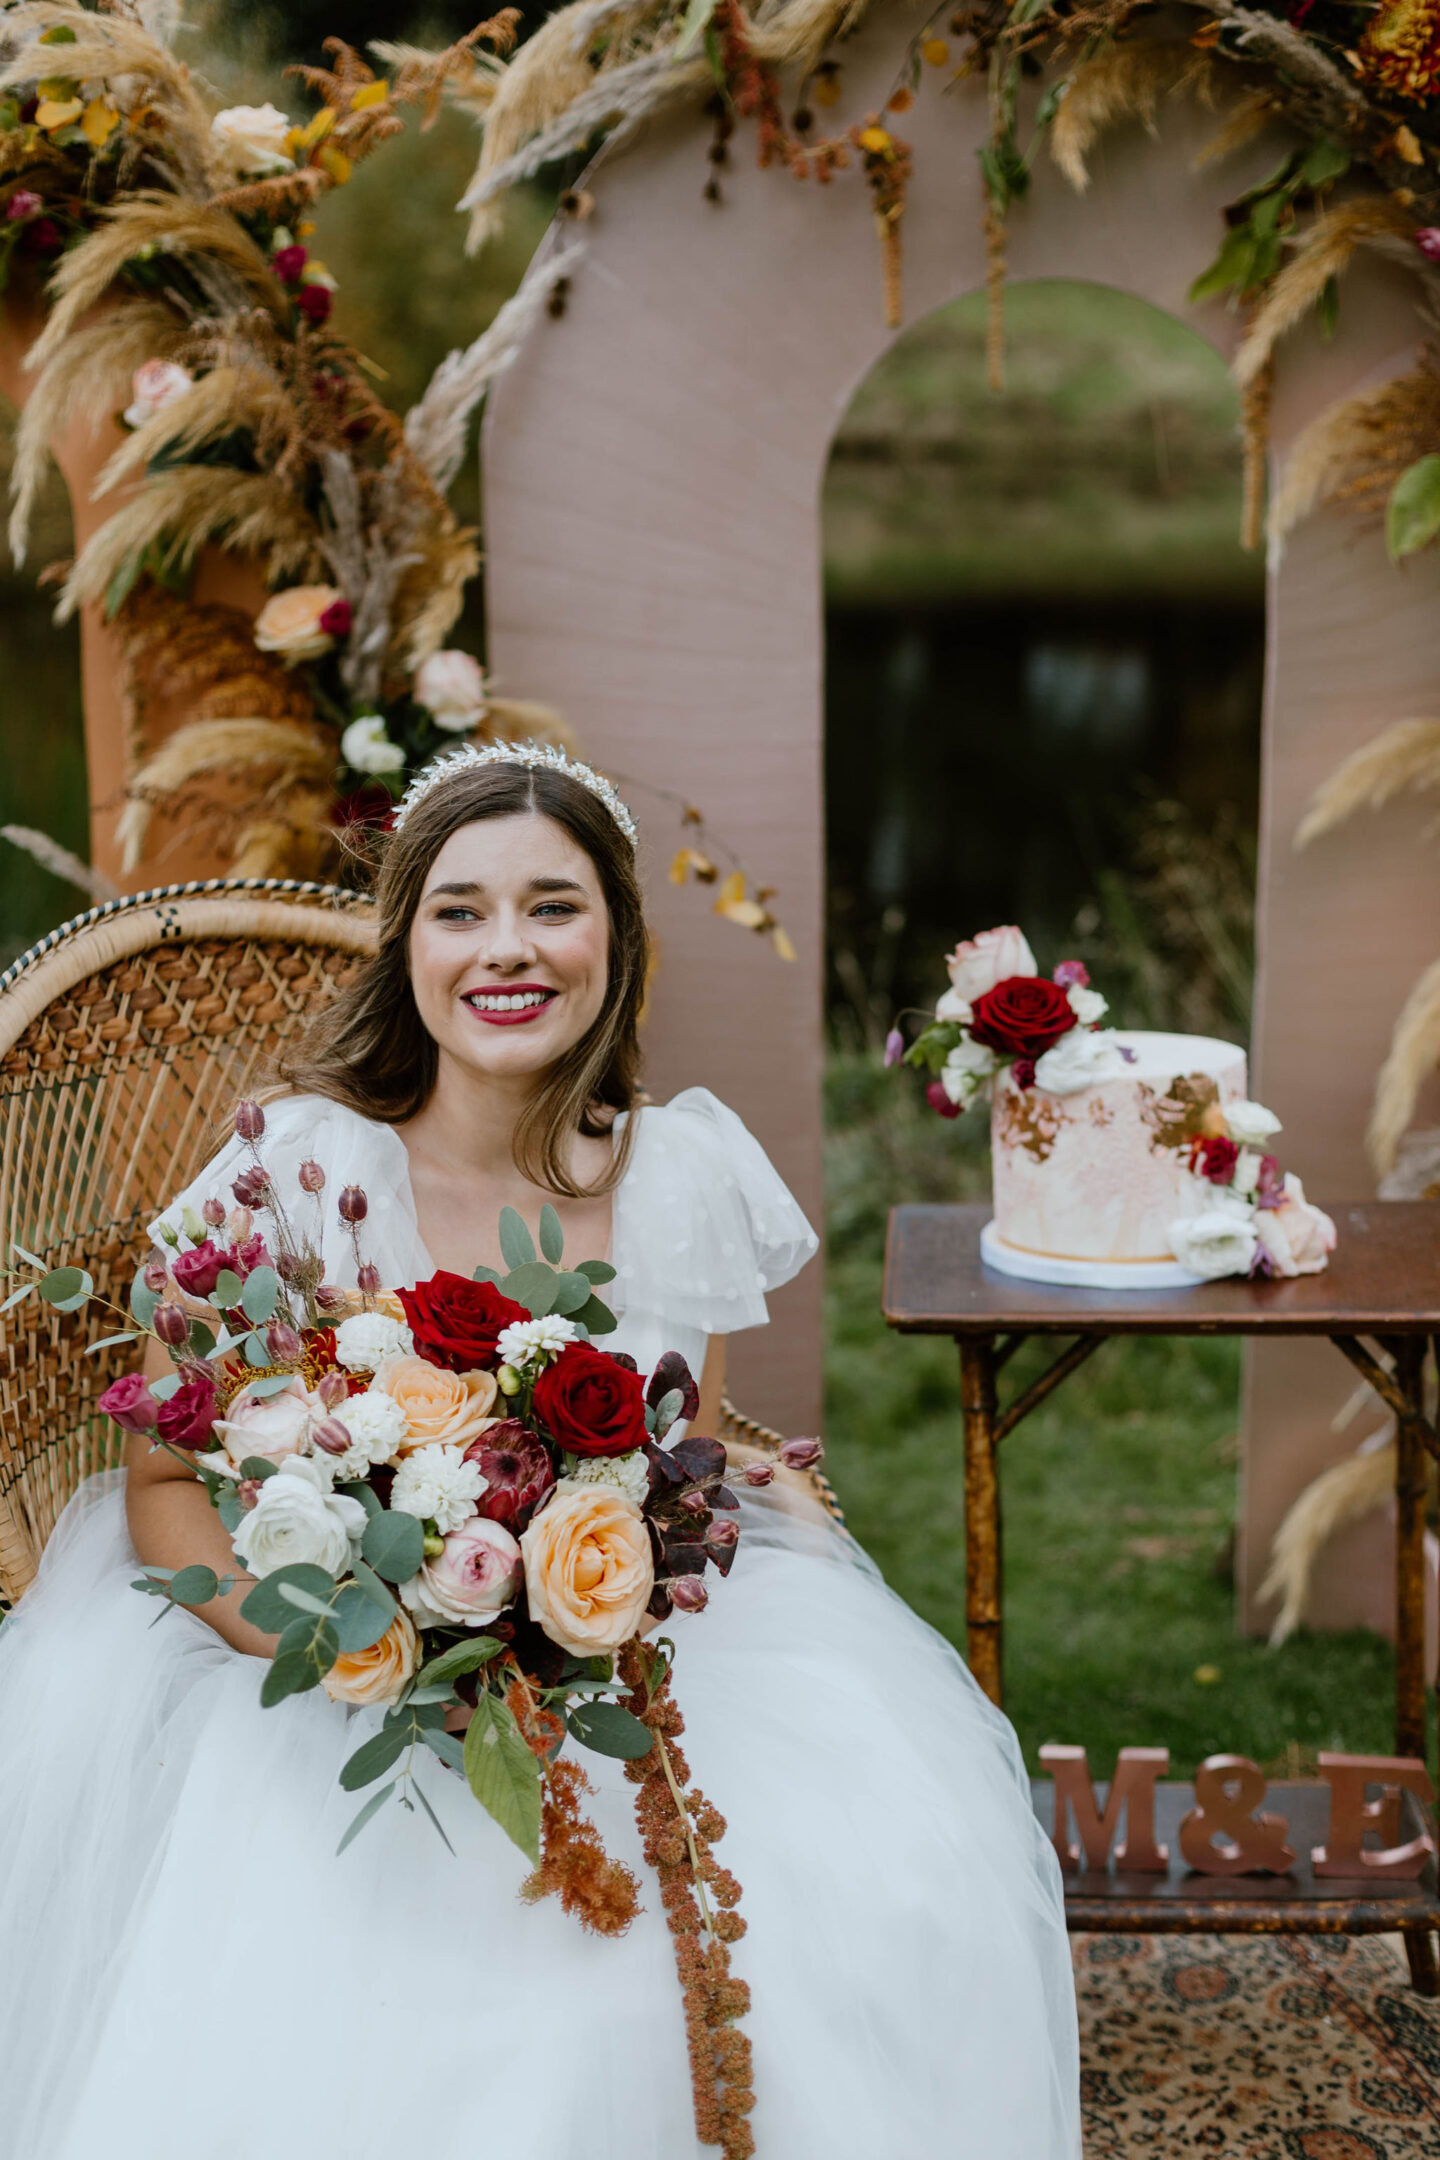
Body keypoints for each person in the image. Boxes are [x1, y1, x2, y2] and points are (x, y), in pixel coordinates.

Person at [0, 745, 1081, 2159]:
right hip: (324, 1673)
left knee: (883, 1886)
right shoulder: (292, 1180)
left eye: (554, 906)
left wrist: (673, 1522)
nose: (507, 948)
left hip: (614, 1658)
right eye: (458, 910)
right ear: (406, 947)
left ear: (618, 941)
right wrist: (338, 1652)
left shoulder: (679, 1170)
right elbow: (162, 1481)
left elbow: (679, 1440)